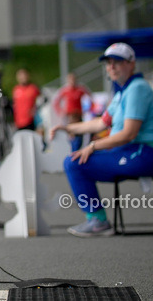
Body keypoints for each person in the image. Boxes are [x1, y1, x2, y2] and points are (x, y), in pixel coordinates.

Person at [50, 42, 153, 237]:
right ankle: (97, 220)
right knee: (75, 161)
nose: (111, 67)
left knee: (75, 163)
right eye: (108, 62)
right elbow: (100, 124)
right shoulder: (123, 91)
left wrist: (93, 145)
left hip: (144, 152)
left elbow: (129, 134)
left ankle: (98, 221)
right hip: (130, 151)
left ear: (132, 64)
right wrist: (67, 127)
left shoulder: (137, 88)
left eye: (118, 62)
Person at [52, 71, 92, 151]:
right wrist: (61, 112)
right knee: (71, 135)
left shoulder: (81, 89)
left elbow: (90, 98)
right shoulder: (64, 90)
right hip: (69, 117)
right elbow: (56, 102)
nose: (72, 81)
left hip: (78, 116)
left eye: (73, 79)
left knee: (80, 133)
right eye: (70, 79)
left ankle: (78, 150)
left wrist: (87, 110)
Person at [11, 68, 42, 132]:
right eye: (20, 75)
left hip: (31, 121)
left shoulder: (33, 88)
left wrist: (36, 109)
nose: (22, 77)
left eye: (24, 75)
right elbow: (14, 105)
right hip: (19, 122)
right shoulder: (16, 89)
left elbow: (42, 101)